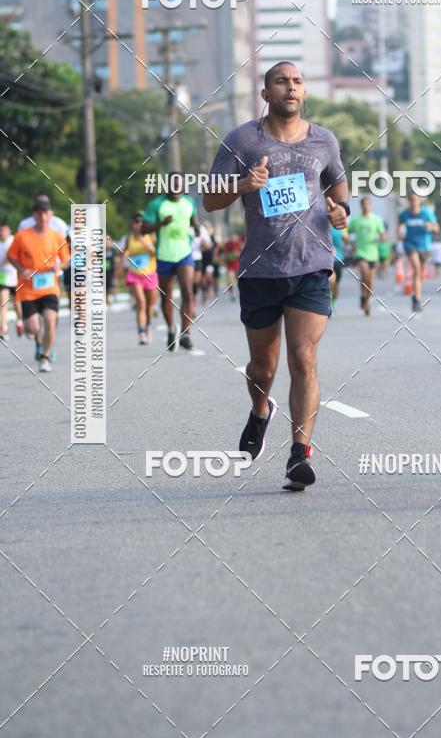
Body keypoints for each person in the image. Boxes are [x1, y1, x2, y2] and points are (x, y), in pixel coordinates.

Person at [203, 60, 349, 491]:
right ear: (265, 94)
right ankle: (260, 410)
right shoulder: (241, 140)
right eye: (281, 81)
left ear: (304, 93)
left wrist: (341, 213)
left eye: (298, 81)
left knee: (303, 357)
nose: (291, 87)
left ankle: (299, 453)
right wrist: (244, 186)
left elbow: (339, 195)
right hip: (261, 270)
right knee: (262, 369)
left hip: (312, 265)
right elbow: (210, 200)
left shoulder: (324, 140)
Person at [7, 198, 70, 372]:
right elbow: (11, 256)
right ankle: (31, 331)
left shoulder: (57, 236)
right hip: (28, 290)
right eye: (39, 212)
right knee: (33, 328)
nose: (43, 215)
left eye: (46, 212)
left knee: (50, 321)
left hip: (50, 287)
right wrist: (22, 269)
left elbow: (66, 259)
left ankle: (45, 356)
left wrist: (60, 266)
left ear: (51, 215)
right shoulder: (22, 236)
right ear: (34, 215)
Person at [142, 177, 200, 351]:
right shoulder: (156, 204)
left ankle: (186, 334)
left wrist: (196, 226)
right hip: (164, 255)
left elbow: (193, 218)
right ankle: (171, 328)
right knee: (166, 296)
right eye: (172, 185)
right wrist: (161, 224)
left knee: (188, 293)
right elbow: (144, 228)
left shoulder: (189, 201)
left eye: (179, 185)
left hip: (184, 254)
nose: (176, 188)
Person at [119, 212, 159, 344]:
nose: (138, 224)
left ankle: (148, 327)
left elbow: (155, 253)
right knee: (141, 302)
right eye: (136, 221)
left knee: (149, 306)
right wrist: (120, 265)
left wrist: (144, 241)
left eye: (140, 221)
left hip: (150, 274)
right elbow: (125, 253)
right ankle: (141, 332)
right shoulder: (129, 238)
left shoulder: (151, 236)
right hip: (134, 274)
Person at [398, 193, 440, 312]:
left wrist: (431, 227)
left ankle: (416, 294)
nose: (413, 202)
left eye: (416, 200)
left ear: (419, 201)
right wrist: (400, 234)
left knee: (420, 274)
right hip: (410, 244)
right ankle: (417, 299)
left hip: (424, 246)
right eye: (411, 200)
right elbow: (399, 229)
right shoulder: (404, 214)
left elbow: (437, 228)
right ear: (408, 201)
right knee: (416, 268)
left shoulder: (426, 213)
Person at [347, 197, 384, 316]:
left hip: (373, 253)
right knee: (364, 272)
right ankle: (363, 296)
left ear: (371, 206)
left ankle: (366, 300)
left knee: (369, 281)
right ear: (361, 206)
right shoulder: (356, 220)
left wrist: (381, 238)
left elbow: (383, 234)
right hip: (361, 252)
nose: (366, 206)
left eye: (368, 204)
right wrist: (351, 243)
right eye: (364, 204)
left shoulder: (376, 219)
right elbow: (346, 231)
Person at [0, 221, 20, 341]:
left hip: (16, 276)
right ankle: (4, 328)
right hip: (3, 278)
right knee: (3, 302)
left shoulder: (14, 240)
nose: (3, 233)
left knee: (17, 302)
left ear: (9, 231)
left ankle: (20, 321)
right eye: (1, 230)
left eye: (4, 230)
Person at [223, 231, 243, 301]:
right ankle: (232, 293)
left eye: (233, 237)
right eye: (230, 237)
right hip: (230, 265)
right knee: (230, 279)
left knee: (239, 280)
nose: (232, 238)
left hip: (238, 264)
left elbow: (242, 253)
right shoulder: (227, 244)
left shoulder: (238, 243)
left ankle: (239, 292)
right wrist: (227, 256)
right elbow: (224, 255)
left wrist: (237, 254)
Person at [329, 223, 346, 306]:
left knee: (336, 284)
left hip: (338, 259)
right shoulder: (319, 228)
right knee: (331, 280)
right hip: (327, 261)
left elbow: (346, 239)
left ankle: (333, 301)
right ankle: (328, 300)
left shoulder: (339, 229)